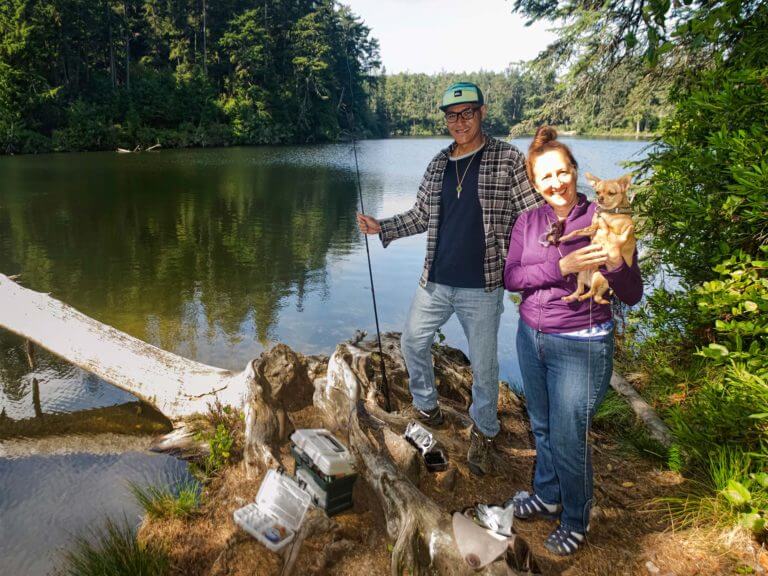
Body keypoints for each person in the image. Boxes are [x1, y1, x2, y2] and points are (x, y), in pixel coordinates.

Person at [357, 82, 540, 476]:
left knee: (486, 365)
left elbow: (533, 215)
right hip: (435, 281)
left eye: (467, 113)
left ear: (482, 112)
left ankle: (485, 432)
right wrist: (381, 226)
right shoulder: (439, 164)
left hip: (483, 285)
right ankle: (427, 406)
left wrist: (570, 230)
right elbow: (421, 215)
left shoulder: (507, 158)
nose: (459, 122)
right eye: (452, 115)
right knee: (412, 342)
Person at [503, 126, 642, 555]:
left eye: (562, 172)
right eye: (546, 177)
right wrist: (561, 265)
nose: (556, 183)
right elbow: (512, 277)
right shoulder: (527, 221)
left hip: (582, 345)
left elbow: (632, 294)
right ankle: (546, 495)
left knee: (568, 437)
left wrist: (617, 263)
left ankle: (576, 517)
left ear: (576, 172)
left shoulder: (604, 219)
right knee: (542, 426)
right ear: (534, 183)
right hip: (532, 337)